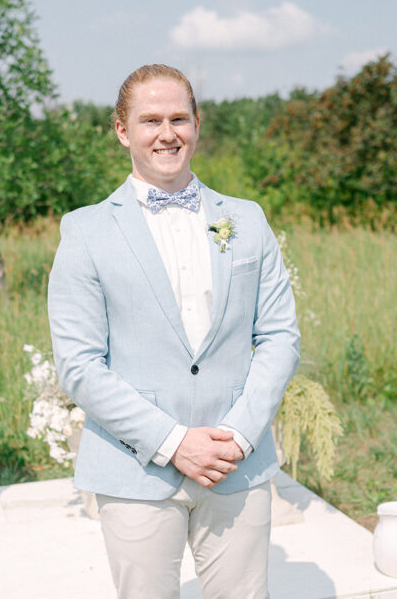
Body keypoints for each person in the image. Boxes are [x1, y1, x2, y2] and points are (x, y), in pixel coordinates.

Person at [48, 64, 300, 598]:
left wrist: (235, 436)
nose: (168, 133)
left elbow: (279, 336)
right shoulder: (85, 230)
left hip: (237, 463)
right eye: (151, 120)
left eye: (179, 118)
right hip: (134, 470)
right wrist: (173, 442)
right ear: (122, 130)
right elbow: (79, 364)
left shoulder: (248, 220)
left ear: (197, 124)